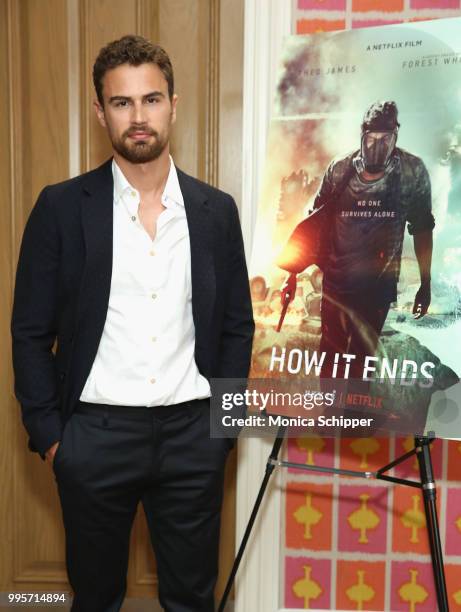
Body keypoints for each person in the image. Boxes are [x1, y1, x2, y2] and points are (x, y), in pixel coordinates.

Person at [11, 35, 254, 612]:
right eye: (122, 103)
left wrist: (222, 429)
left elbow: (237, 328)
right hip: (93, 437)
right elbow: (28, 331)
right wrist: (51, 438)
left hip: (194, 436)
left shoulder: (215, 211)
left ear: (174, 104)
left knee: (192, 599)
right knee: (95, 598)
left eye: (151, 99)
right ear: (100, 111)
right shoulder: (61, 207)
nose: (138, 117)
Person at [278, 101, 434, 382]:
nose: (377, 146)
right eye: (371, 138)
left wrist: (426, 283)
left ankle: (353, 424)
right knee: (330, 361)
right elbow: (314, 224)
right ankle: (329, 421)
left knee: (362, 365)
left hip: (378, 285)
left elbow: (422, 228)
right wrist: (291, 274)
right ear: (362, 135)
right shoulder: (340, 169)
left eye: (385, 139)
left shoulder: (412, 171)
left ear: (395, 136)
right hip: (336, 282)